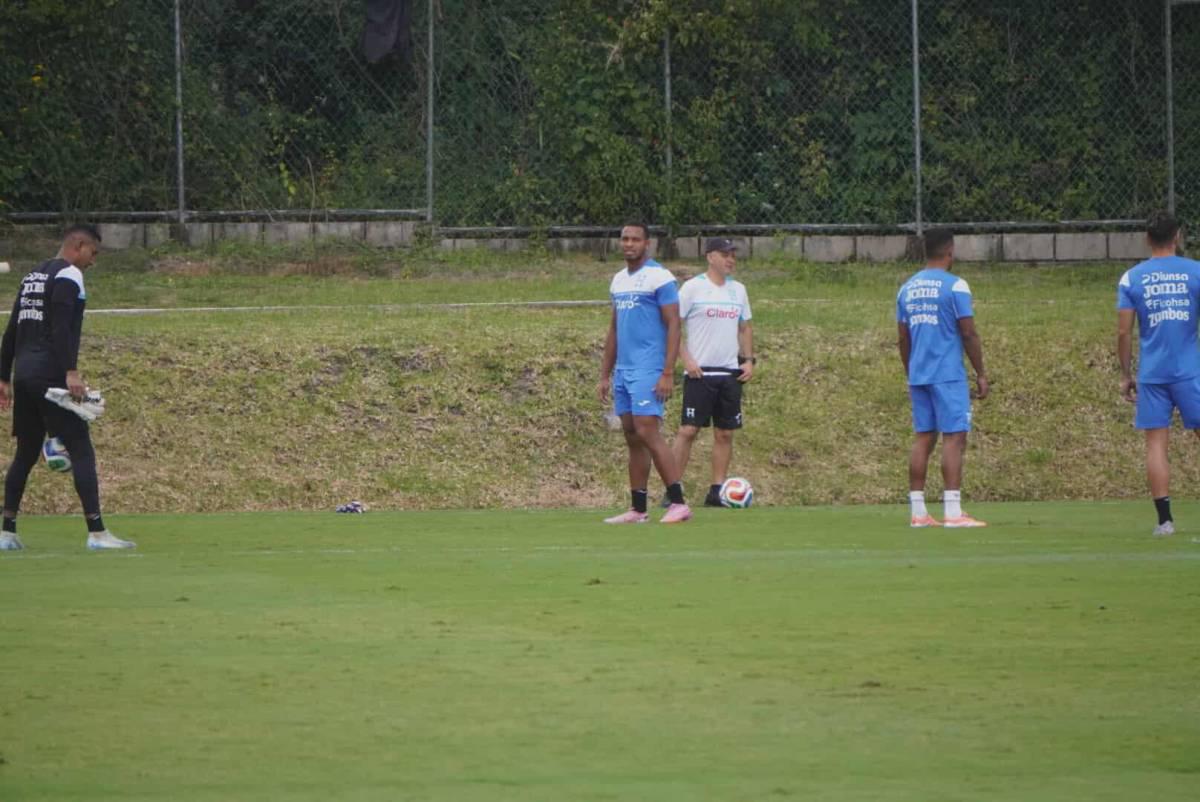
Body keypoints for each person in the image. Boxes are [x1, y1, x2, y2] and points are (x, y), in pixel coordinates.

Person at [0, 224, 135, 551]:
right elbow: (61, 328)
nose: (93, 261)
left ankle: (6, 532)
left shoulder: (32, 275)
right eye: (93, 252)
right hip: (50, 374)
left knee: (27, 453)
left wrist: (3, 377)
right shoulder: (70, 274)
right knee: (80, 447)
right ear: (78, 245)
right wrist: (71, 372)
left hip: (24, 374)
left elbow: (12, 329)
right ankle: (97, 533)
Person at [597, 223, 691, 524]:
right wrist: (604, 374)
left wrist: (667, 372)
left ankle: (678, 502)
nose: (629, 244)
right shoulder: (618, 280)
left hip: (649, 368)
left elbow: (674, 325)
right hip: (624, 370)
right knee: (632, 436)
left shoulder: (660, 277)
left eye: (635, 239)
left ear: (646, 243)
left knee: (647, 429)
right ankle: (638, 509)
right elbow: (614, 328)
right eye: (624, 238)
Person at [896, 228, 989, 528]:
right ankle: (952, 511)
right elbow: (968, 332)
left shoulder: (906, 288)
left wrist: (911, 371)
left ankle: (919, 512)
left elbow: (903, 337)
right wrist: (981, 372)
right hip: (947, 373)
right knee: (954, 437)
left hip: (919, 373)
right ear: (950, 251)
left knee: (924, 437)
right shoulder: (956, 286)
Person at [1117, 211, 1200, 537]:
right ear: (1177, 236)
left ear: (1148, 239)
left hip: (1152, 373)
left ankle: (1165, 521)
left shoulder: (1132, 278)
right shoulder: (1196, 271)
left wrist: (1126, 374)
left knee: (1155, 445)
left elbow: (1124, 332)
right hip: (1190, 371)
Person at [669, 237, 755, 508]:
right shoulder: (692, 288)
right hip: (700, 373)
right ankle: (673, 489)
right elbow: (673, 326)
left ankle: (717, 490)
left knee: (725, 433)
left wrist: (749, 360)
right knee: (688, 430)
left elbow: (745, 327)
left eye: (733, 255)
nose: (731, 259)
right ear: (710, 257)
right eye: (724, 254)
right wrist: (686, 359)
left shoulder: (738, 290)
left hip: (729, 373)